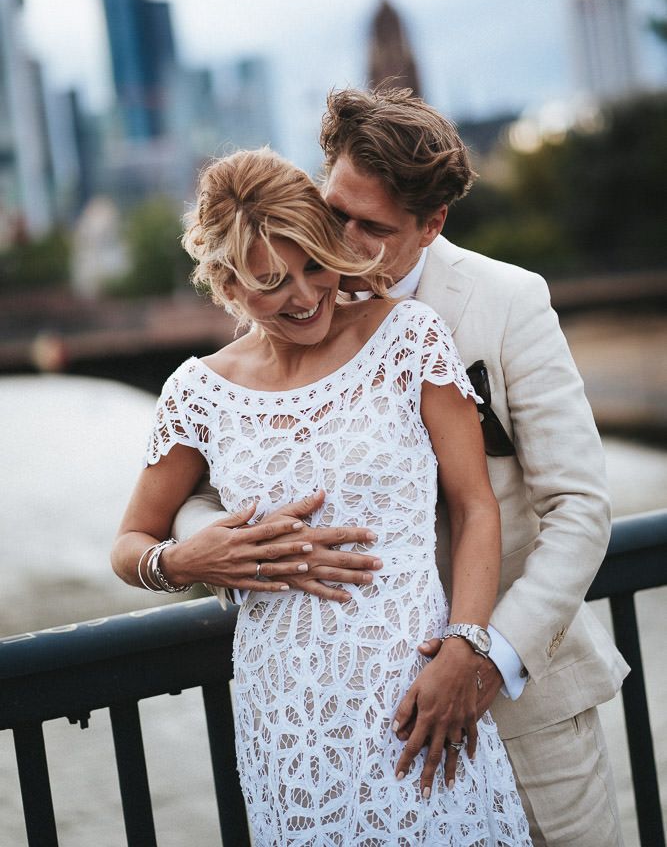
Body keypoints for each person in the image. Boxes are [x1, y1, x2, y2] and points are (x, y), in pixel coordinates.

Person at [174, 88, 629, 847]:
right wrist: (223, 545)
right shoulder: (298, 309)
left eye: (373, 228)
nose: (342, 240)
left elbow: (580, 508)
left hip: (523, 705)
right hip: (364, 727)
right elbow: (202, 485)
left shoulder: (507, 303)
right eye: (334, 209)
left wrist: (483, 656)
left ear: (432, 225)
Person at [112, 149, 532, 846]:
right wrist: (188, 560)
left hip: (415, 688)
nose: (305, 295)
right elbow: (130, 543)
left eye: (314, 264)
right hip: (286, 714)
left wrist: (465, 647)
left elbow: (473, 504)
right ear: (225, 282)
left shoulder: (407, 338)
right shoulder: (197, 392)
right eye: (270, 281)